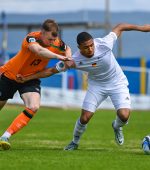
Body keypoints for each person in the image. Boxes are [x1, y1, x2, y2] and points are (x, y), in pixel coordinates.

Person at [16, 23, 150, 150]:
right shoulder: (74, 60)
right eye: (86, 47)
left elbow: (120, 27)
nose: (90, 49)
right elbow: (51, 70)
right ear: (79, 48)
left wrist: (142, 28)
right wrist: (27, 78)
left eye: (91, 45)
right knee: (85, 117)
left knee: (124, 116)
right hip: (96, 86)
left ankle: (116, 126)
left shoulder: (104, 43)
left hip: (117, 83)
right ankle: (74, 142)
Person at [0, 19, 72, 150]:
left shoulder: (56, 42)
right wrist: (59, 57)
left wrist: (68, 58)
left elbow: (68, 49)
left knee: (33, 106)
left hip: (29, 78)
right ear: (42, 33)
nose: (52, 43)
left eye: (53, 40)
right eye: (49, 39)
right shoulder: (31, 38)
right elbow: (38, 50)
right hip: (9, 75)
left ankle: (5, 136)